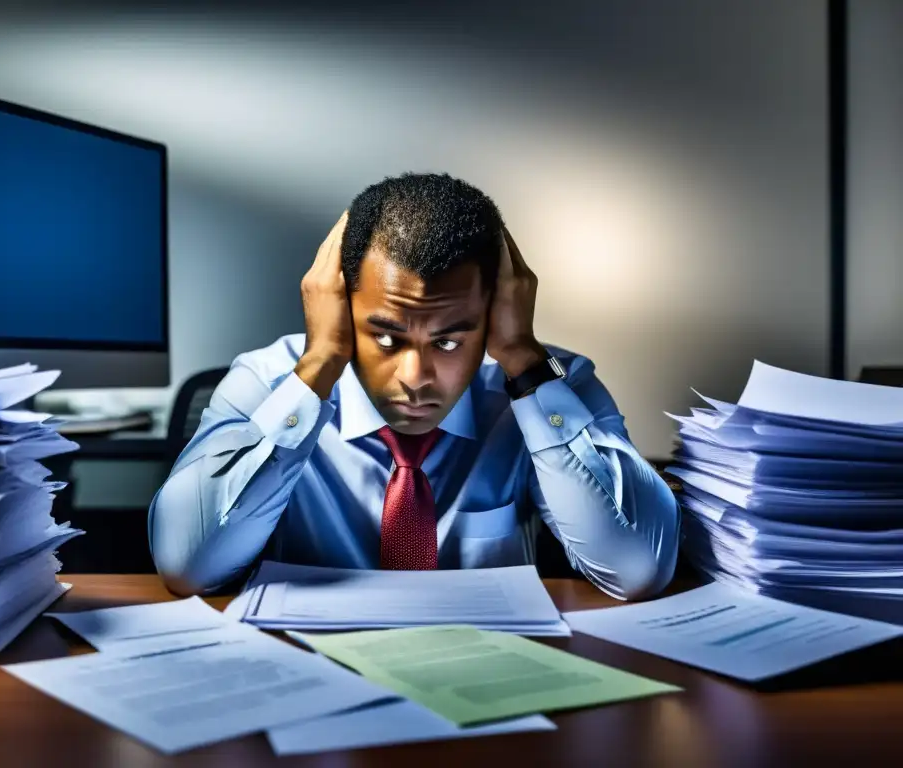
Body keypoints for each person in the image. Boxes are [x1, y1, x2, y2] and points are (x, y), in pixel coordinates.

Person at [149, 172, 679, 599]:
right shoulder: (268, 382)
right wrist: (320, 364)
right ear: (337, 306)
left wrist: (523, 359)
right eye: (385, 337)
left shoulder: (551, 385)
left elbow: (637, 570)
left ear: (495, 314)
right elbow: (187, 566)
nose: (415, 379)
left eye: (448, 341)